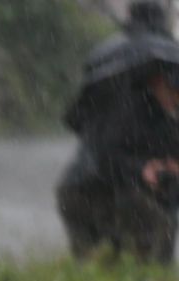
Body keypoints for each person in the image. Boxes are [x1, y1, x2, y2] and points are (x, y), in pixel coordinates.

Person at [58, 9, 179, 262]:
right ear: (158, 80)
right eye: (173, 90)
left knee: (141, 244)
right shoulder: (123, 108)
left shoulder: (164, 116)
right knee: (149, 236)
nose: (176, 98)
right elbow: (106, 156)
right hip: (86, 191)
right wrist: (143, 169)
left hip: (118, 192)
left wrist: (169, 166)